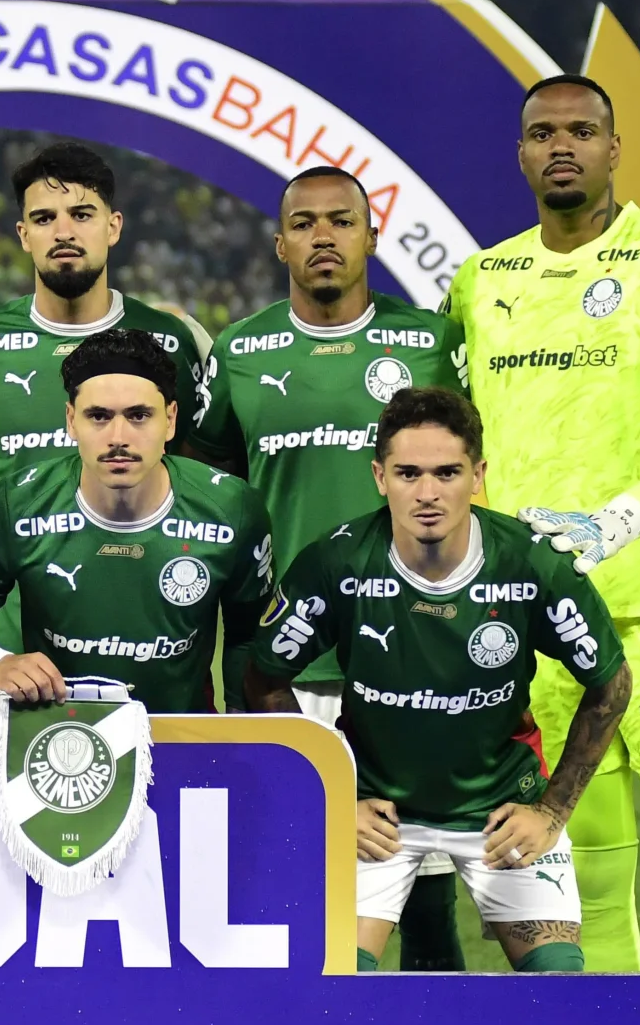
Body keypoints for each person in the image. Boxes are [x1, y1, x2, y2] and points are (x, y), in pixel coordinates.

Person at [446, 73, 640, 974]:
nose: (563, 146)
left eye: (582, 131)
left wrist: (614, 522)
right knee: (591, 877)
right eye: (544, 132)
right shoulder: (482, 280)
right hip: (543, 623)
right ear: (520, 153)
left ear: (615, 149)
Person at [188, 163, 471, 970]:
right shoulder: (240, 352)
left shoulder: (433, 342)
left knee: (424, 893)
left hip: (416, 649)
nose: (323, 236)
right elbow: (210, 489)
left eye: (341, 221)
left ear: (371, 237)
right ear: (280, 243)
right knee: (290, 882)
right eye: (304, 223)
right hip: (284, 661)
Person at [244, 387, 632, 974]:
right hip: (379, 821)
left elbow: (612, 684)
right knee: (333, 986)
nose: (427, 493)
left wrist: (552, 812)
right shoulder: (336, 563)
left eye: (447, 473)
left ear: (478, 476)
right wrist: (332, 799)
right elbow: (264, 678)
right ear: (380, 477)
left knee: (558, 986)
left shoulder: (533, 563)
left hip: (501, 810)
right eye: (408, 473)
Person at [0, 142, 208, 709]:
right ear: (23, 234)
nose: (63, 231)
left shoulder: (169, 338)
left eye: (81, 213)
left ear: (113, 226)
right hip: (9, 649)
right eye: (44, 218)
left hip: (149, 634)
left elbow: (199, 468)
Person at [0, 327, 272, 714]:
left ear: (171, 420)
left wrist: (242, 730)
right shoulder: (19, 502)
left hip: (179, 739)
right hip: (57, 737)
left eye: (139, 415)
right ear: (71, 421)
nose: (118, 437)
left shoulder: (232, 508)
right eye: (99, 416)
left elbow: (248, 637)